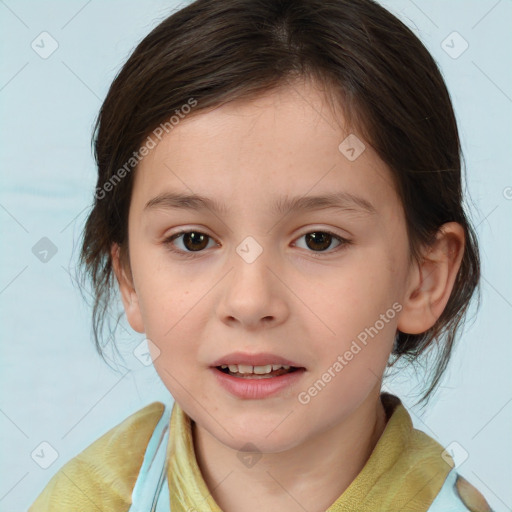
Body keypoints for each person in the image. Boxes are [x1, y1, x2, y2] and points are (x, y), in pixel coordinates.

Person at [29, 0, 494, 510]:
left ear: (423, 278)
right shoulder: (86, 499)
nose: (250, 302)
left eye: (319, 240)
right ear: (130, 279)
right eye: (193, 240)